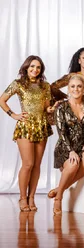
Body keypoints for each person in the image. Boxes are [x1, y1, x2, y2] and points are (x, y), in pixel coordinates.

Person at [0, 56, 55, 212]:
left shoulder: (45, 86)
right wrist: (14, 115)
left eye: (38, 67)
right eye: (32, 66)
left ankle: (32, 197)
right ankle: (22, 198)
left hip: (41, 126)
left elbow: (46, 107)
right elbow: (2, 100)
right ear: (26, 67)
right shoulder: (19, 84)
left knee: (37, 165)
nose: (35, 70)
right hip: (25, 126)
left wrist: (51, 109)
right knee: (28, 163)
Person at [49, 75, 84, 215]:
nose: (76, 89)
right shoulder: (61, 107)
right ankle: (59, 198)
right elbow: (61, 132)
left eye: (79, 86)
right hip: (65, 146)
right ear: (68, 89)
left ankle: (59, 189)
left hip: (83, 146)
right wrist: (70, 151)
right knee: (73, 164)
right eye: (73, 86)